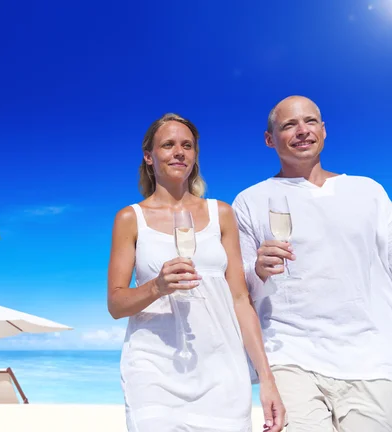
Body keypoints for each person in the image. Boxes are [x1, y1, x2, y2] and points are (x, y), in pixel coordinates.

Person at [107, 113, 285, 432]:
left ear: (195, 156)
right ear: (149, 156)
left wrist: (267, 380)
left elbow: (241, 300)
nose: (179, 151)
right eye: (168, 144)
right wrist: (156, 287)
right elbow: (116, 305)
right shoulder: (129, 219)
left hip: (222, 368)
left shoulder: (222, 214)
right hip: (153, 368)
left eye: (187, 145)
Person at [232, 95, 392, 432]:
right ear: (269, 139)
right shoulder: (250, 200)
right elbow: (240, 292)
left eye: (310, 121)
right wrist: (259, 270)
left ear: (324, 129)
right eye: (289, 125)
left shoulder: (368, 191)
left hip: (371, 359)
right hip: (289, 356)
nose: (302, 131)